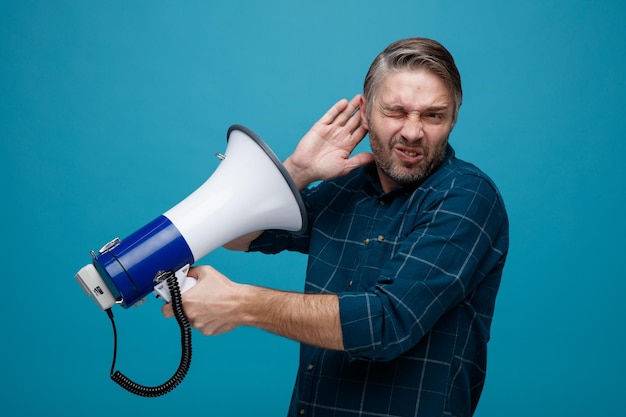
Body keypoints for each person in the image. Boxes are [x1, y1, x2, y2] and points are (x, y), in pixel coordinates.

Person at [163, 37, 509, 417]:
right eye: (395, 111)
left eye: (433, 115)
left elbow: (386, 324)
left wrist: (240, 304)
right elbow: (237, 236)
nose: (412, 132)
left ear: (453, 119)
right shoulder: (344, 189)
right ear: (366, 111)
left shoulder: (467, 196)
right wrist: (296, 171)